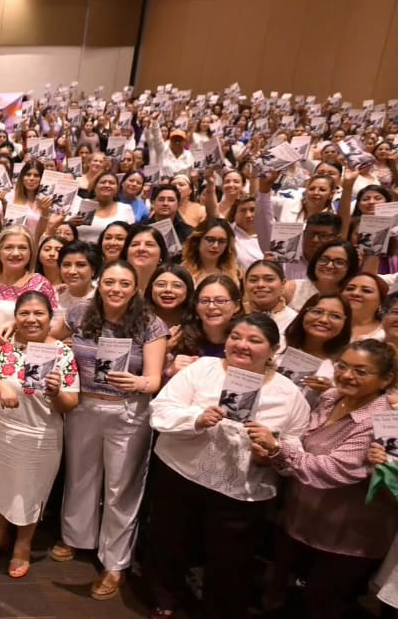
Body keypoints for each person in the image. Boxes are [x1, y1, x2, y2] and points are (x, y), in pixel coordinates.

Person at [146, 313, 311, 619]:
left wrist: (273, 451)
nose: (242, 345)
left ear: (274, 349)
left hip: (240, 490)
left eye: (254, 340)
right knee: (170, 542)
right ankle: (165, 598)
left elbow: (297, 448)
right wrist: (196, 418)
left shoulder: (289, 394)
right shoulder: (202, 369)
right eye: (236, 337)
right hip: (181, 473)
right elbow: (160, 410)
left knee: (230, 561)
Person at [49, 260, 169, 600]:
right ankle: (76, 537)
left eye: (124, 283)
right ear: (100, 284)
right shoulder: (80, 312)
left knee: (121, 488)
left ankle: (115, 563)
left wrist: (138, 381)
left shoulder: (150, 324)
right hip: (84, 406)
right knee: (81, 476)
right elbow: (51, 338)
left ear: (135, 289)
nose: (116, 289)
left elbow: (154, 379)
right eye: (110, 282)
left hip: (128, 412)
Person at [257, 339, 398, 619]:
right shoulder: (331, 397)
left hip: (348, 538)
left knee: (320, 605)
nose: (347, 375)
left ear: (386, 379)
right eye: (343, 366)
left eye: (361, 371)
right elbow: (301, 440)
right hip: (300, 519)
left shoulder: (385, 421)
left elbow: (332, 469)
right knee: (278, 594)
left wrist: (277, 448)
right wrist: (278, 451)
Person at [0, 290, 79, 577]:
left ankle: (23, 545)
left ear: (50, 317)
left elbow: (71, 403)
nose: (31, 319)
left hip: (38, 436)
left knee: (28, 492)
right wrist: (0, 386)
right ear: (15, 317)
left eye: (39, 313)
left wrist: (56, 392)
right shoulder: (3, 344)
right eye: (25, 313)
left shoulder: (63, 352)